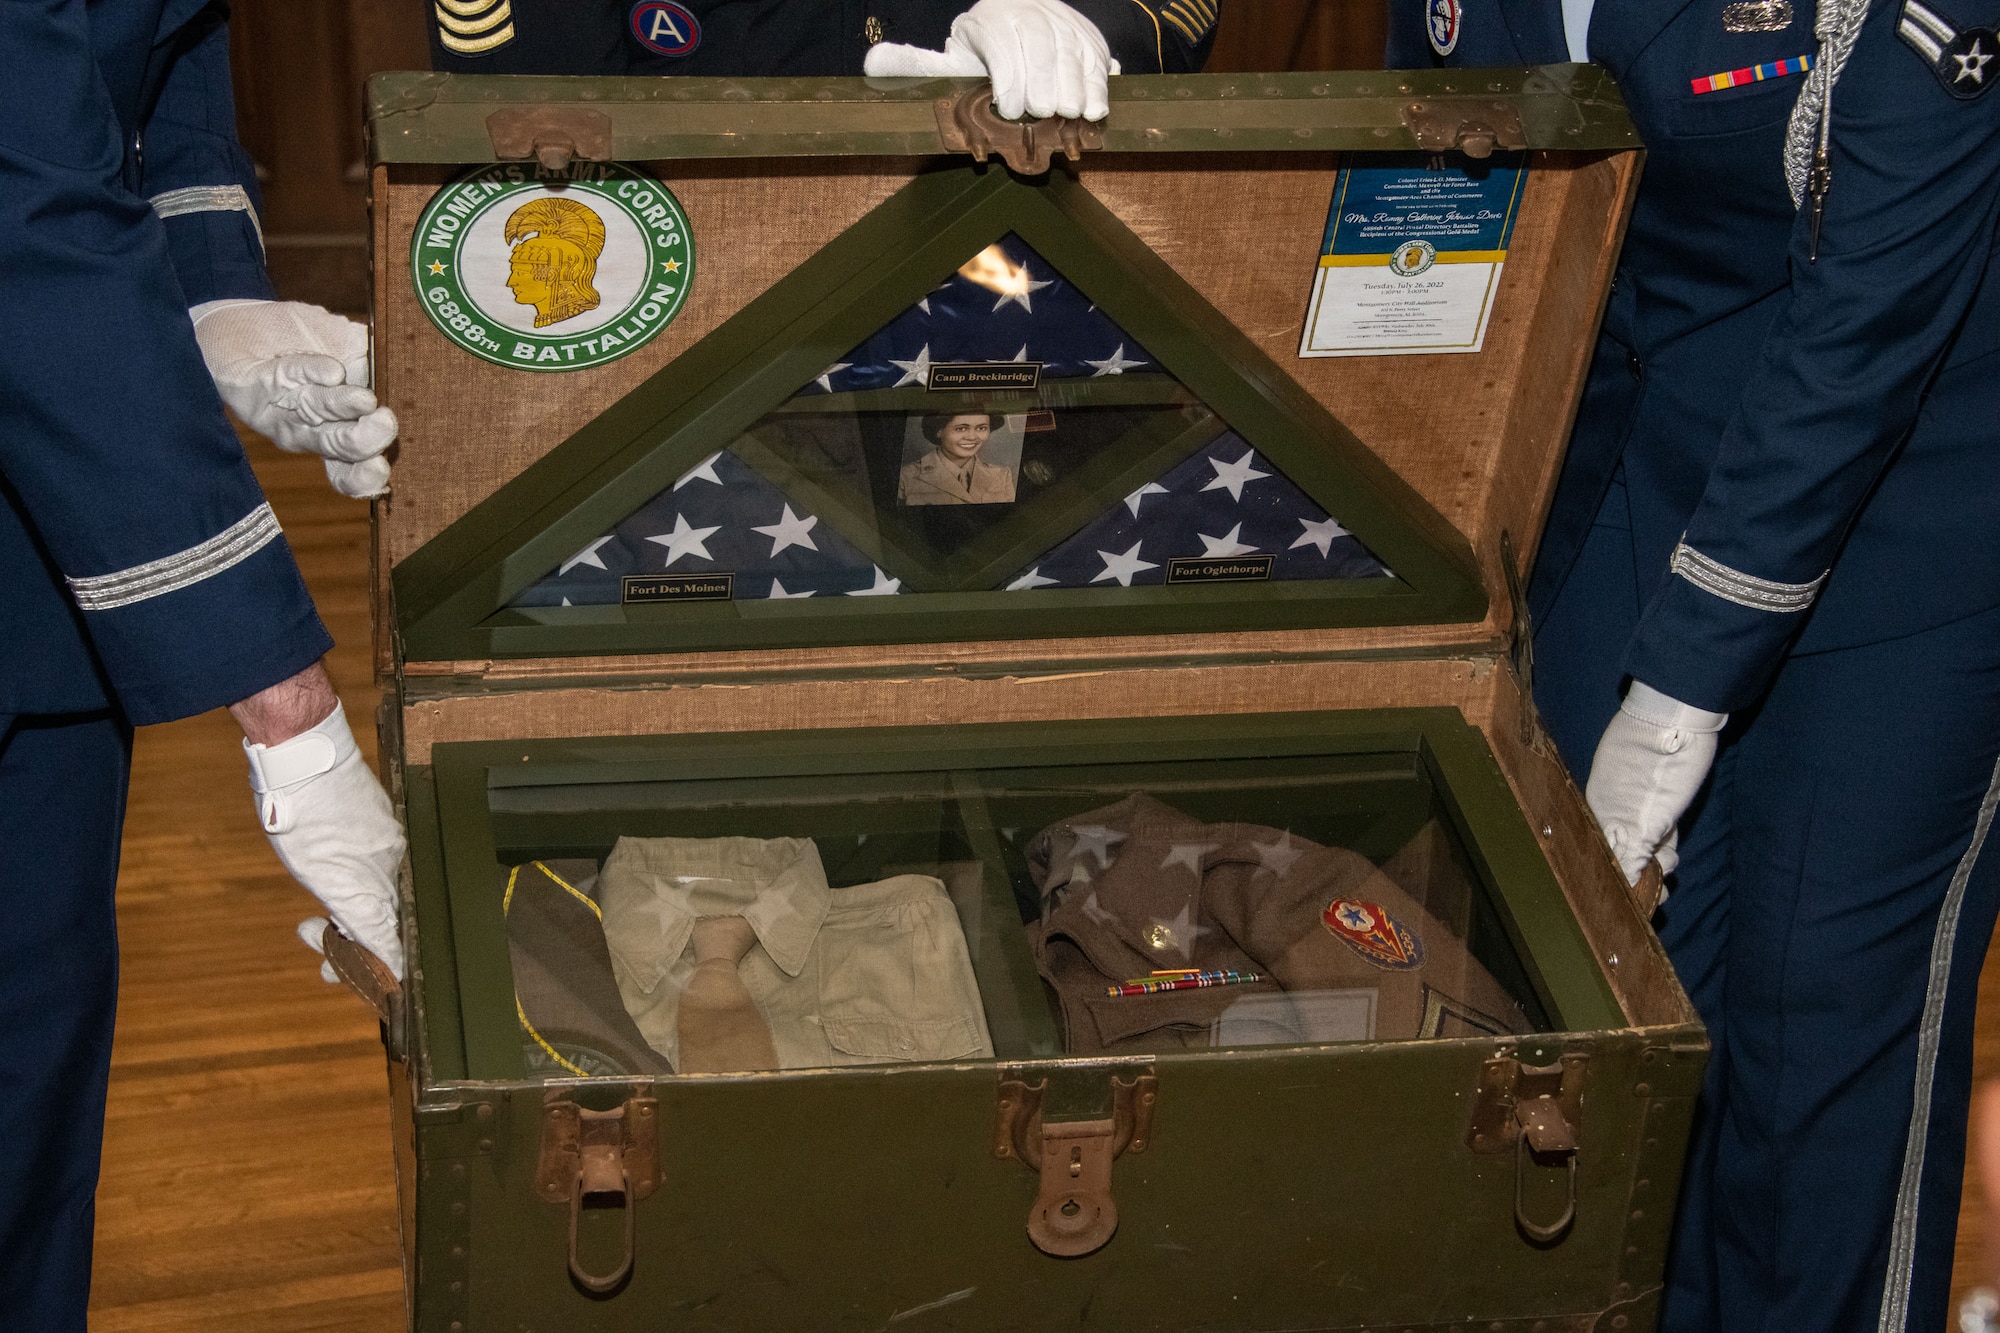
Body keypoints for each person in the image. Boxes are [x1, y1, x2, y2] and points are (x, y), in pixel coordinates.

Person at [1392, 0, 1999, 1328]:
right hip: (1641, 453)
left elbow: (1867, 328)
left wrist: (1674, 703)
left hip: (1916, 516)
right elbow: (1461, 160)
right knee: (1627, 1026)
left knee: (1813, 1055)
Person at [2, 1, 407, 1326]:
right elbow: (24, 203)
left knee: (31, 1067)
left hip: (41, 558)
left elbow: (152, 49)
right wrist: (293, 719)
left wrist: (216, 290)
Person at [425, 0, 1220, 118]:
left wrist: (1075, 18)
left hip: (1008, 262)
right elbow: (527, 96)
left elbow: (1172, 10)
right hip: (707, 298)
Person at [899, 411, 1017, 505]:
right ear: (939, 431)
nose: (972, 437)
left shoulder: (1002, 475)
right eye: (961, 429)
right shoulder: (905, 477)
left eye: (981, 428)